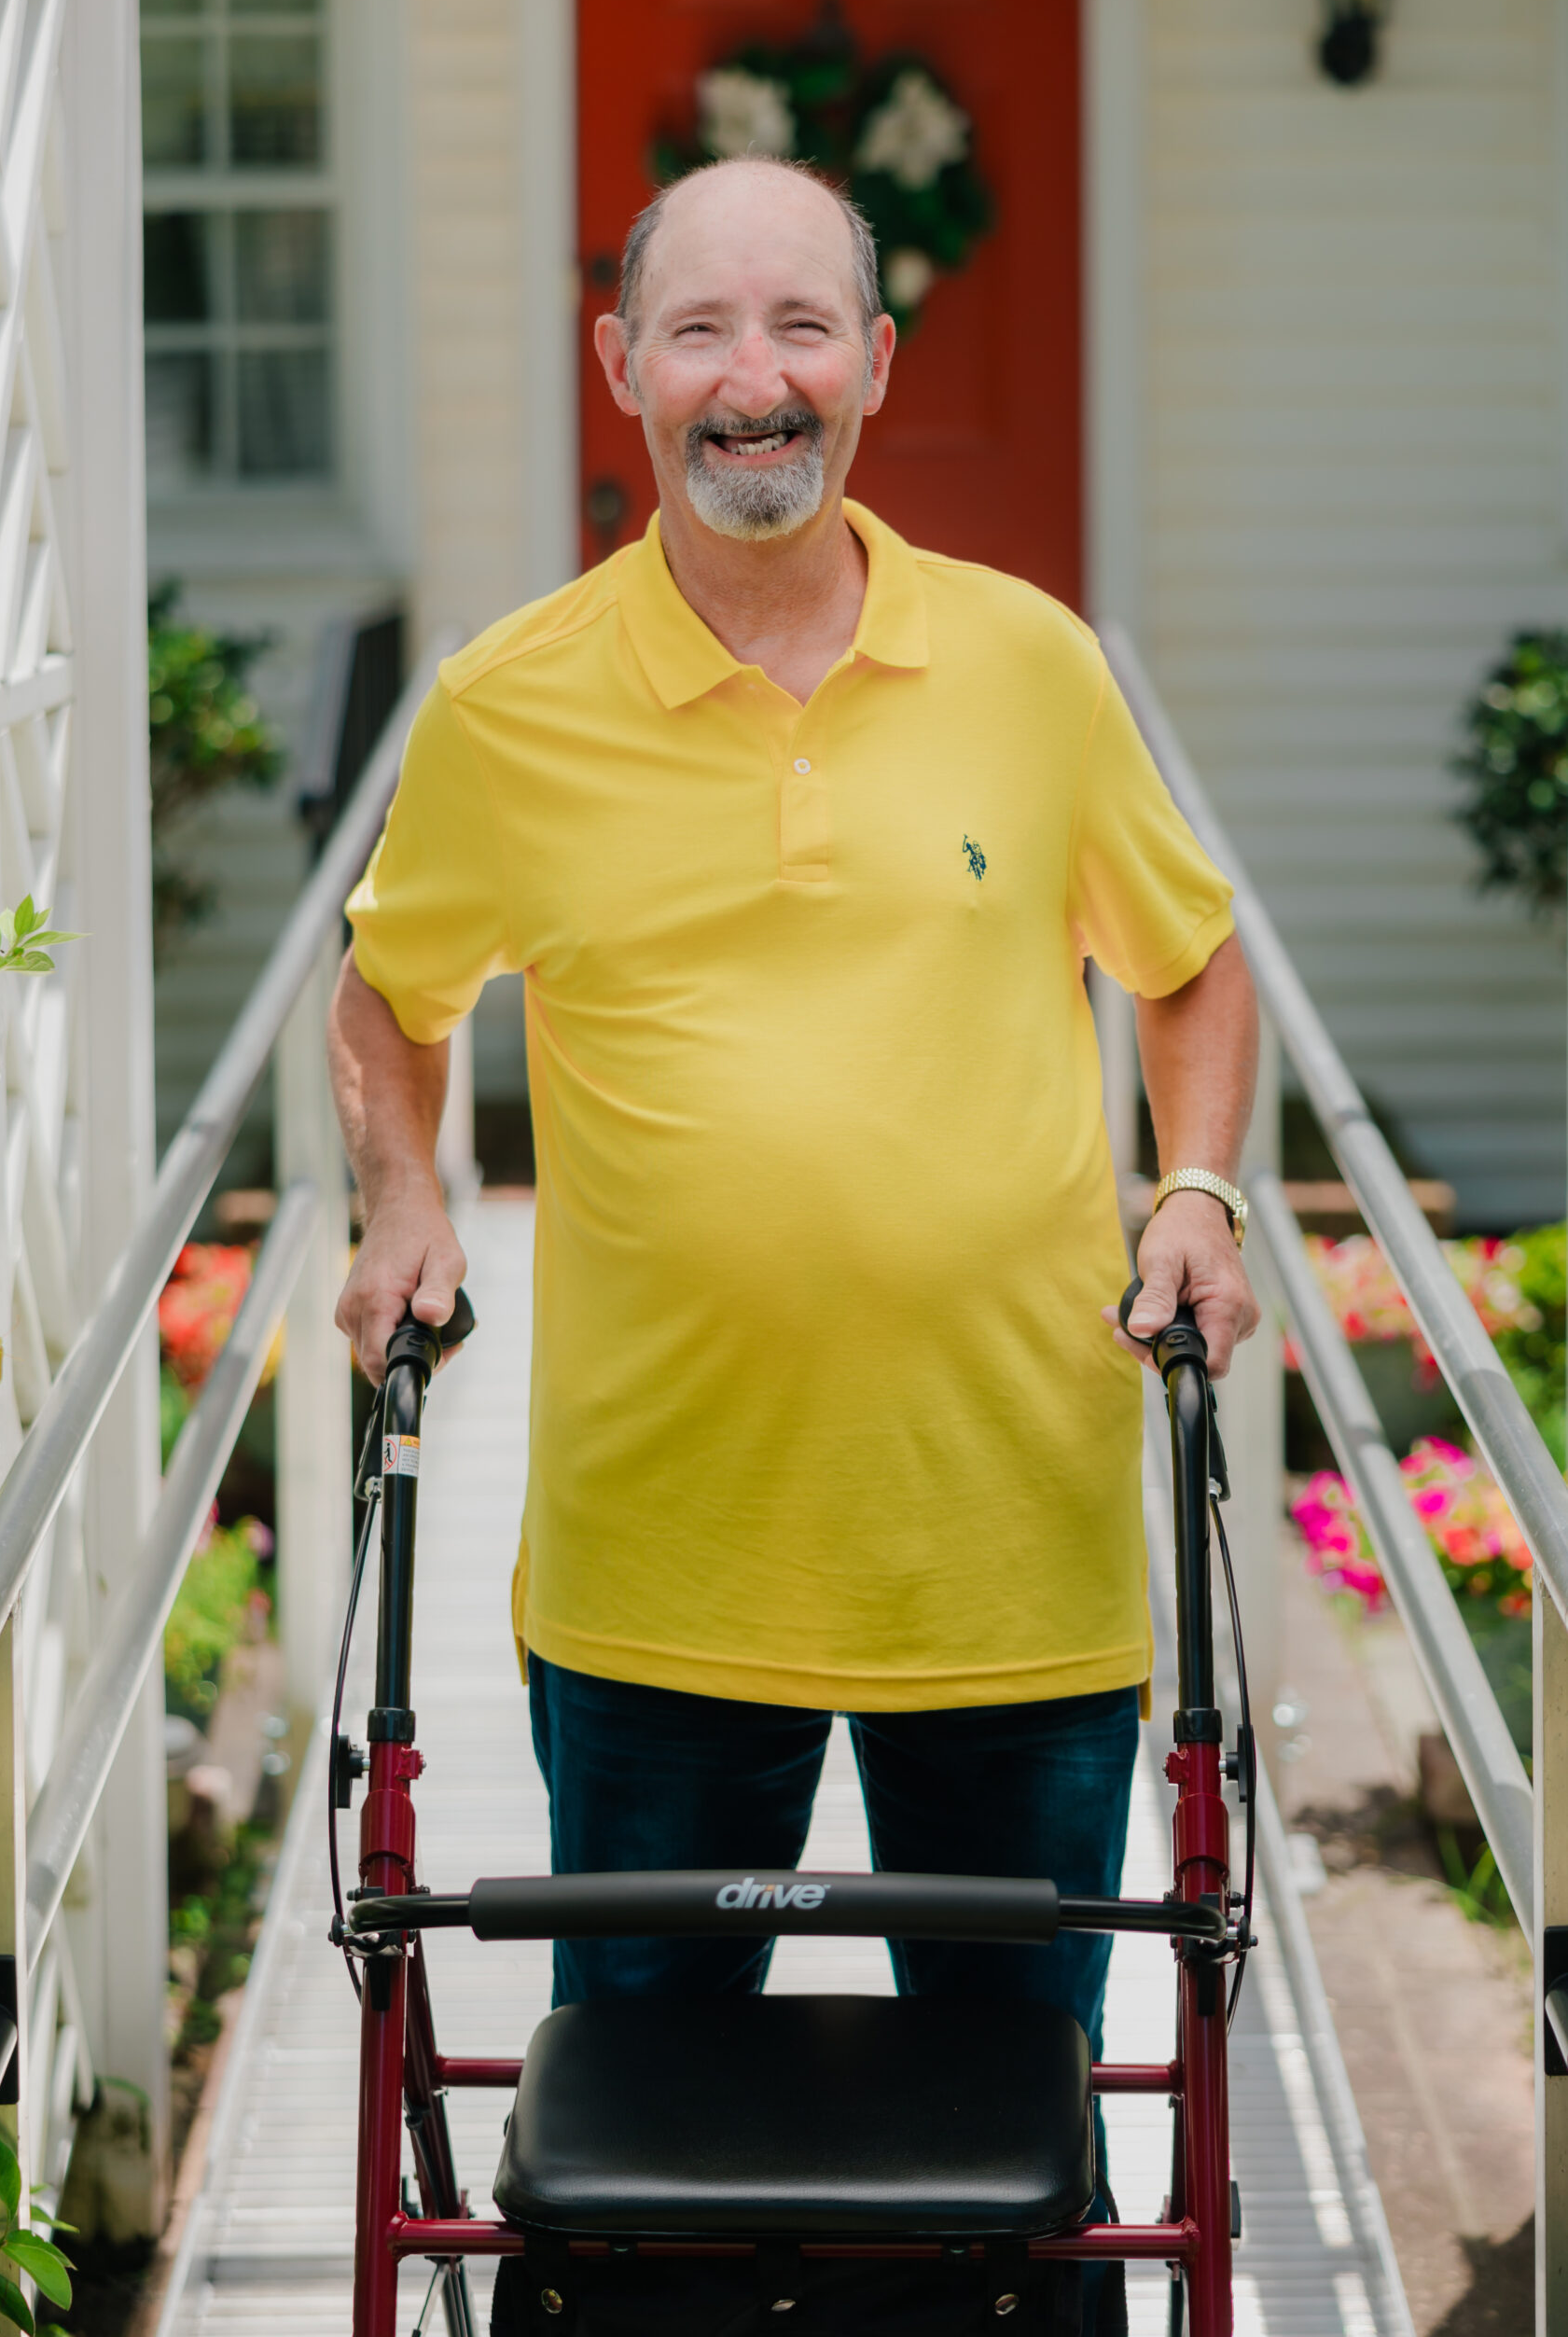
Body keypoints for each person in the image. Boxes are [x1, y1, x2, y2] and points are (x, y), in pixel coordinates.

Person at [330, 152, 1258, 2294]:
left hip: (1009, 1556)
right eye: (701, 332)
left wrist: (1197, 1185)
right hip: (663, 1563)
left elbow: (1188, 959)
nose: (755, 381)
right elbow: (390, 985)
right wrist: (405, 1191)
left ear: (876, 365)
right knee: (658, 2188)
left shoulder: (1030, 666)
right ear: (619, 371)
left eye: (802, 328)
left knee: (1010, 2169)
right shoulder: (506, 703)